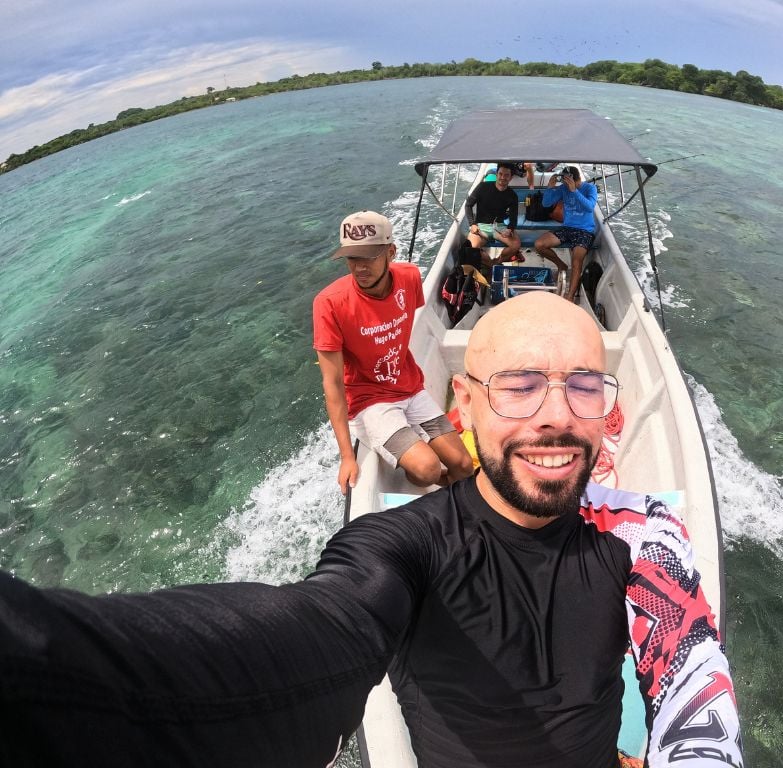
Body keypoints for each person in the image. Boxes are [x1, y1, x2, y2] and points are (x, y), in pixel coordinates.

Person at [0, 293, 743, 768]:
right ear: (465, 406)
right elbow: (314, 631)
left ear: (606, 408)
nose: (554, 413)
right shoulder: (406, 544)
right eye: (518, 386)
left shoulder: (642, 530)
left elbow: (690, 678)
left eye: (583, 384)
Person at [313, 210, 472, 492]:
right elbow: (333, 385)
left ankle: (453, 493)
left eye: (370, 257)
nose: (360, 267)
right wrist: (347, 456)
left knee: (462, 465)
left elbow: (397, 322)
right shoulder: (329, 303)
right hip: (370, 402)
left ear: (391, 252)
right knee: (427, 468)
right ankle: (443, 488)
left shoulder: (409, 277)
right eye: (353, 258)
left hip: (410, 387)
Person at [534, 166, 599, 302]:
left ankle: (570, 297)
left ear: (577, 179)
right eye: (564, 181)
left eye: (568, 181)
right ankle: (561, 264)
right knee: (539, 244)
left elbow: (590, 206)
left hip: (585, 230)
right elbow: (546, 203)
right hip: (567, 228)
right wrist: (550, 188)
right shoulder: (563, 188)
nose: (565, 184)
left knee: (576, 261)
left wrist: (574, 191)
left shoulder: (589, 188)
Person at [465, 162, 522, 263]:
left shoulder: (512, 195)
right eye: (500, 174)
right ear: (496, 174)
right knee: (472, 247)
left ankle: (497, 262)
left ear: (511, 177)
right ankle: (491, 266)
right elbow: (468, 205)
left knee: (516, 245)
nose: (502, 177)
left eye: (506, 175)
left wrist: (510, 229)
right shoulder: (482, 187)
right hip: (481, 227)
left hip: (499, 227)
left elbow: (513, 219)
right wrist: (472, 224)